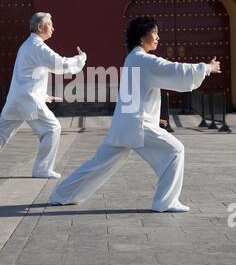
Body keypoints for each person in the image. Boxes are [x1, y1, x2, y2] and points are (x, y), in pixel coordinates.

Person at [49, 16, 221, 211]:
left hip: (127, 124)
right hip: (137, 125)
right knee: (175, 150)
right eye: (154, 32)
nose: (158, 37)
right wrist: (206, 68)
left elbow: (136, 95)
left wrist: (154, 118)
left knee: (99, 164)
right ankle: (165, 202)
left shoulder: (132, 58)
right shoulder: (143, 59)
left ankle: (61, 194)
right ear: (141, 37)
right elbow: (174, 70)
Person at [0, 12, 86, 179]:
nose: (53, 28)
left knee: (1, 132)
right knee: (52, 128)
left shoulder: (27, 45)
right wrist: (80, 59)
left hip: (18, 99)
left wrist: (45, 96)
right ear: (40, 27)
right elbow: (60, 64)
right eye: (50, 24)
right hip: (28, 99)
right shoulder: (37, 46)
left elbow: (29, 76)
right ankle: (42, 169)